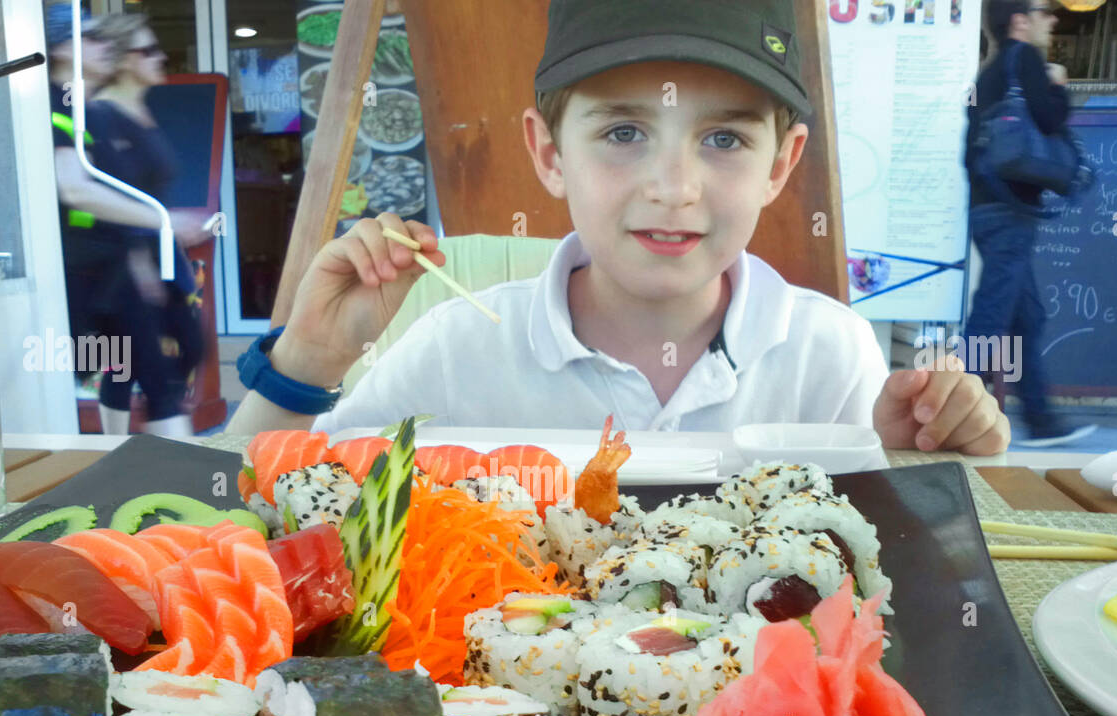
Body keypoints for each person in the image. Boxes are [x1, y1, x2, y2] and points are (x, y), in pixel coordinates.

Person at [227, 0, 1008, 457]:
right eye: (624, 134)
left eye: (725, 140)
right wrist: (304, 364)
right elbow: (252, 506)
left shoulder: (828, 355)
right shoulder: (458, 349)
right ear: (548, 152)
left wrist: (922, 470)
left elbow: (893, 567)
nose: (673, 189)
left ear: (782, 163)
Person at [44, 3, 208, 436]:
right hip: (83, 270)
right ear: (62, 48)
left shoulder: (76, 105)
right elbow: (75, 189)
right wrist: (163, 221)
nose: (107, 48)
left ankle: (144, 473)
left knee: (150, 375)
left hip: (108, 266)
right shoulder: (60, 103)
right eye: (93, 39)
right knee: (115, 375)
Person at [963, 1, 1095, 447]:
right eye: (1044, 10)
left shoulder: (986, 74)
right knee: (993, 311)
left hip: (986, 208)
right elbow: (1051, 117)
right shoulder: (1028, 60)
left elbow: (970, 145)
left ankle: (1040, 418)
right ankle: (957, 401)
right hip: (1012, 209)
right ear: (1020, 20)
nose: (1052, 18)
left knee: (1026, 314)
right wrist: (1058, 85)